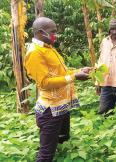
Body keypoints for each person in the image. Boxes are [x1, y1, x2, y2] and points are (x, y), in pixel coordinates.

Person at [24, 17, 91, 162]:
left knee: (62, 140)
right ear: (41, 32)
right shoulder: (35, 53)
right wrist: (74, 77)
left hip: (61, 106)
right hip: (50, 111)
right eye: (53, 31)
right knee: (46, 154)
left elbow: (60, 74)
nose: (56, 34)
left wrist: (79, 70)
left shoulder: (48, 48)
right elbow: (44, 83)